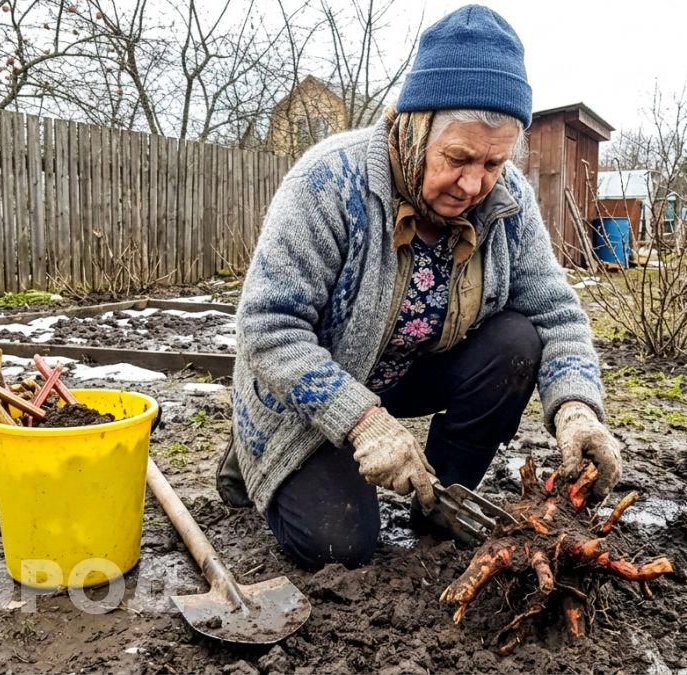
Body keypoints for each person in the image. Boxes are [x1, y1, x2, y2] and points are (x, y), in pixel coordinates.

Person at [216, 4, 621, 571]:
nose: (474, 183)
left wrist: (576, 407)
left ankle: (441, 502)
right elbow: (268, 328)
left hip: (410, 368)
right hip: (314, 389)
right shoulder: (328, 182)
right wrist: (362, 421)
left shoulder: (508, 204)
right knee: (341, 546)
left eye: (494, 162)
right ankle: (256, 453)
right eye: (457, 158)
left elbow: (555, 312)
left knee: (517, 341)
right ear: (415, 125)